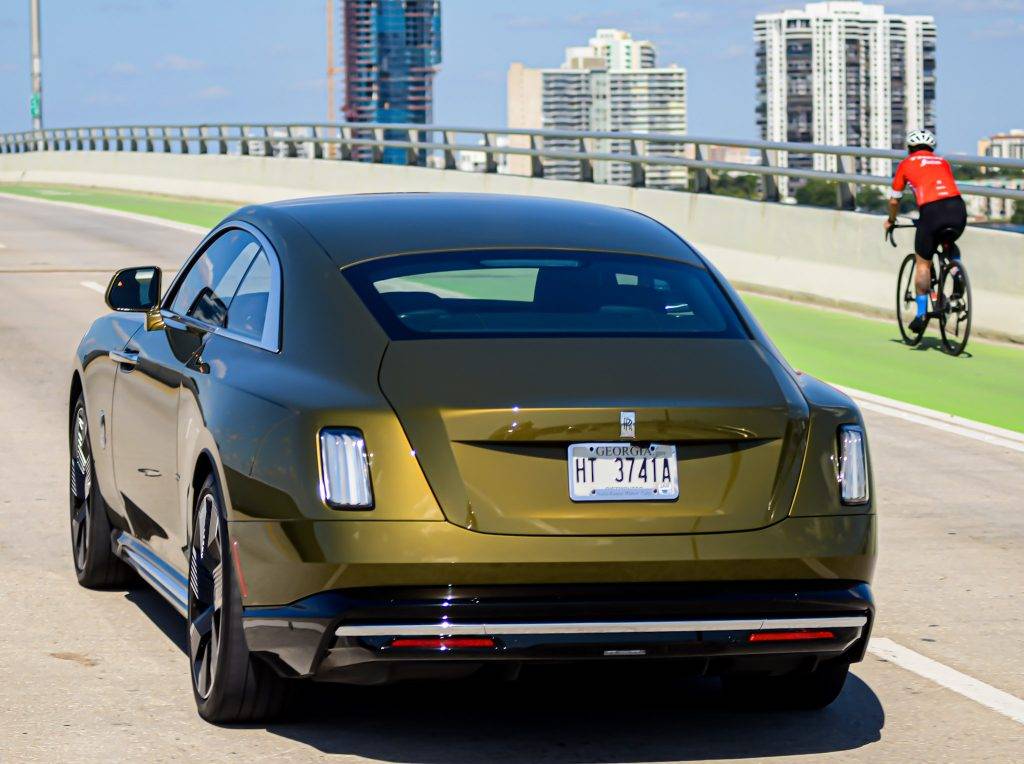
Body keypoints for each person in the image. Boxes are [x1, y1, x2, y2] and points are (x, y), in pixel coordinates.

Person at [884, 129, 968, 333]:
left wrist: (891, 220)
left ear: (909, 148)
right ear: (932, 148)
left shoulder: (906, 163)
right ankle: (957, 271)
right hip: (957, 209)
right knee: (948, 242)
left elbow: (895, 199)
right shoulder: (942, 162)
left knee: (923, 263)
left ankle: (921, 314)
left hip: (932, 212)